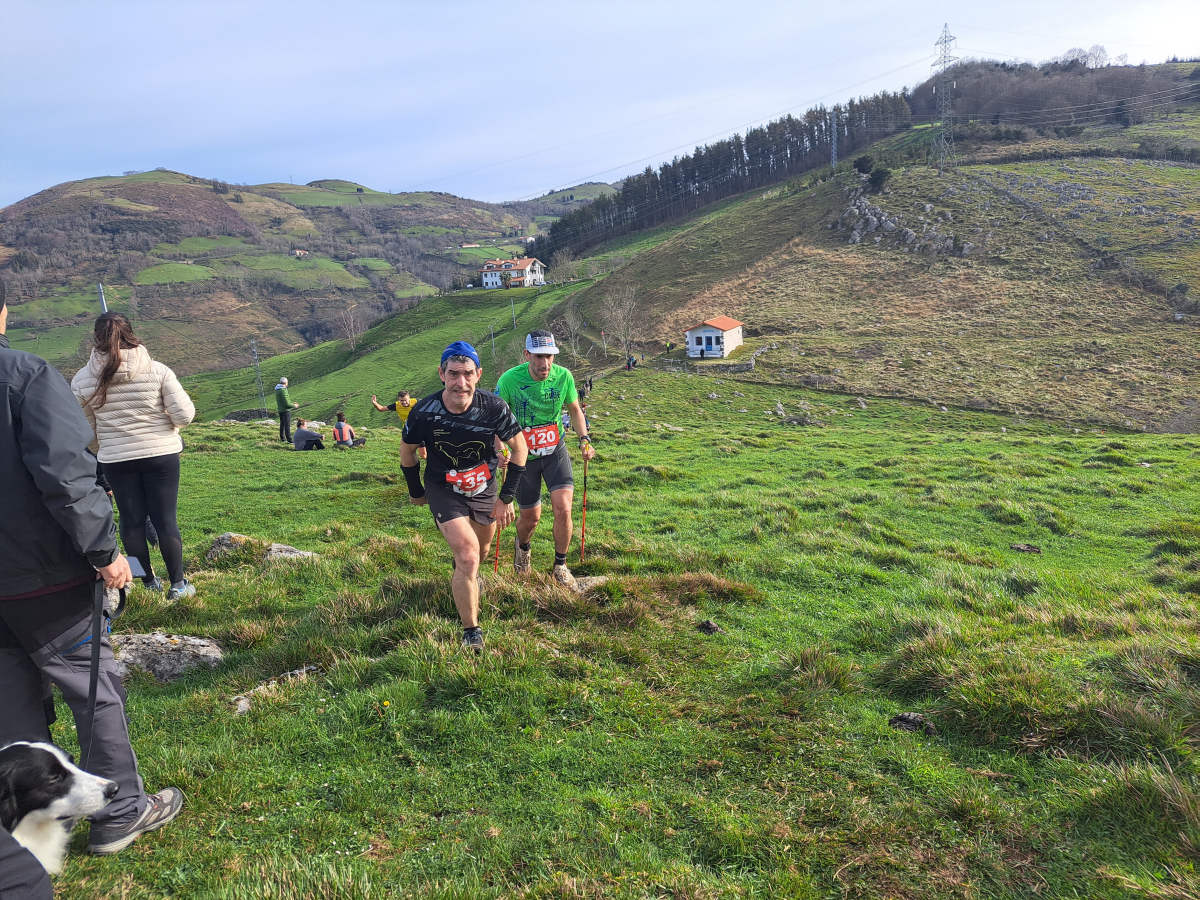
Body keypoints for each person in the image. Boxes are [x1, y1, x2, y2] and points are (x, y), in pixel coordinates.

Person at [0, 293, 184, 873]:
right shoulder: (23, 376)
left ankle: (27, 832)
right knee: (93, 688)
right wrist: (105, 553)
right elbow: (64, 473)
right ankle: (120, 810)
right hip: (44, 578)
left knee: (12, 704)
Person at [400, 341, 527, 653]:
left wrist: (506, 498)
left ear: (478, 374)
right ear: (442, 374)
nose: (461, 383)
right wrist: (416, 491)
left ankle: (464, 577)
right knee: (469, 554)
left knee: (479, 553)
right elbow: (407, 451)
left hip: (484, 486)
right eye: (453, 374)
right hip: (444, 487)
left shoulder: (494, 407)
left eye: (468, 374)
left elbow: (520, 448)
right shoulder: (424, 411)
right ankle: (472, 631)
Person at [71, 313, 196, 602]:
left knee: (131, 521)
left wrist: (107, 446)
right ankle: (178, 584)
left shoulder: (81, 380)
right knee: (165, 521)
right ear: (131, 333)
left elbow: (86, 431)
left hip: (116, 459)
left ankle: (146, 580)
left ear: (96, 338)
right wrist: (166, 426)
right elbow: (185, 415)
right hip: (161, 454)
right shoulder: (157, 370)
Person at [496, 330, 595, 586]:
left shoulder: (564, 377)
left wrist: (584, 439)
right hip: (524, 456)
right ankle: (523, 550)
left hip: (555, 451)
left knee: (563, 508)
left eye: (550, 356)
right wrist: (500, 448)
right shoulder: (509, 380)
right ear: (527, 354)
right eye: (539, 356)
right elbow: (496, 418)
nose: (545, 363)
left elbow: (574, 410)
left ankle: (560, 566)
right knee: (531, 518)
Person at [372, 389, 425, 458]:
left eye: (405, 400)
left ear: (409, 398)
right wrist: (374, 403)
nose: (404, 402)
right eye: (401, 400)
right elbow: (381, 409)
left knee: (423, 455)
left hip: (420, 429)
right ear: (399, 400)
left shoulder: (417, 402)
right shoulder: (397, 405)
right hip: (407, 430)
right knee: (405, 451)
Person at [275, 376, 299, 443]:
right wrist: (294, 405)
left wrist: (291, 403)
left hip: (280, 409)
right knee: (287, 425)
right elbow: (287, 404)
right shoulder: (283, 390)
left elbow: (285, 401)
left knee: (282, 424)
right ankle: (290, 440)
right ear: (285, 383)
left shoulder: (278, 389)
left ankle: (282, 438)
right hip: (285, 410)